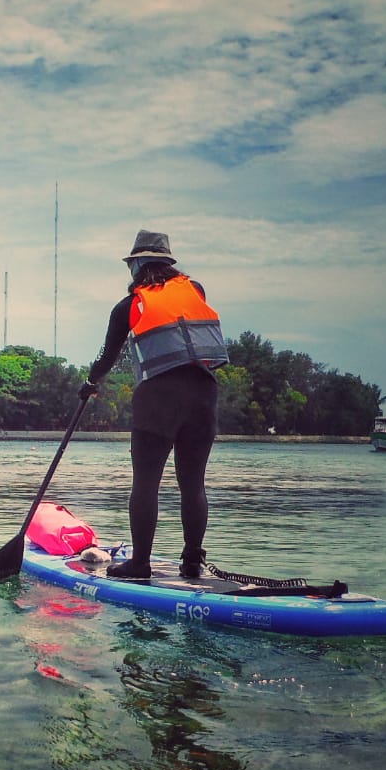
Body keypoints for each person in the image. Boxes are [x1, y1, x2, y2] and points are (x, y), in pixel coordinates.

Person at [80, 230, 229, 579]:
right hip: (204, 393)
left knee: (145, 483)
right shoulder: (196, 290)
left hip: (159, 398)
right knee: (193, 484)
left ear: (136, 266)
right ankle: (192, 561)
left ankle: (140, 564)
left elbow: (107, 357)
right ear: (167, 264)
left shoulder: (129, 306)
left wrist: (89, 385)